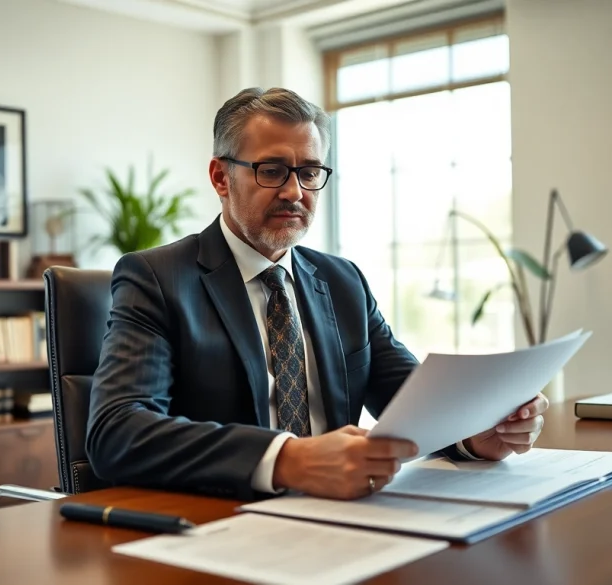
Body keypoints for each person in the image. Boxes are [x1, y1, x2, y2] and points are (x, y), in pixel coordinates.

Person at [86, 87, 549, 501]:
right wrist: (288, 460)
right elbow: (116, 431)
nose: (294, 192)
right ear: (221, 178)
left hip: (349, 517)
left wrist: (474, 434)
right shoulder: (156, 278)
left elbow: (413, 404)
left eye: (309, 173)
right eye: (272, 171)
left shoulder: (343, 281)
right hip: (221, 519)